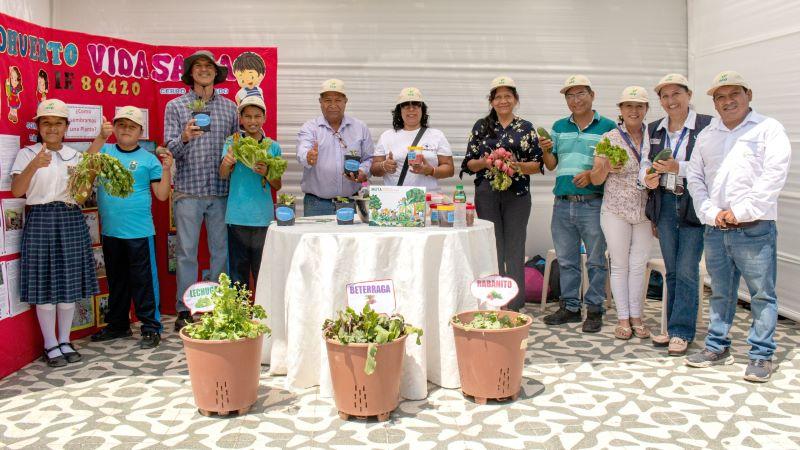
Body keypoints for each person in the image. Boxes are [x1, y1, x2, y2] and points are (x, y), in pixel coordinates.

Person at [685, 71, 791, 382]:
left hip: (754, 228)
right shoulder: (707, 135)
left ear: (749, 95)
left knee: (761, 294)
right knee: (720, 291)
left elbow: (774, 176)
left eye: (734, 94)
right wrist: (710, 211)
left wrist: (741, 211)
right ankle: (717, 346)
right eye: (720, 96)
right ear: (714, 103)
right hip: (716, 228)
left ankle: (760, 355)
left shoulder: (768, 129)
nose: (727, 101)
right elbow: (695, 177)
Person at [10, 99, 99, 367]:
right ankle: (50, 344)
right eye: (46, 123)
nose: (52, 128)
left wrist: (90, 172)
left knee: (69, 283)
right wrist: (34, 165)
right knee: (46, 283)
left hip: (70, 217)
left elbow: (82, 196)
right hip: (40, 218)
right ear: (38, 126)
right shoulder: (28, 154)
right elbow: (17, 191)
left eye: (58, 123)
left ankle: (65, 339)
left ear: (66, 126)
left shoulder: (77, 156)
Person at [86, 106, 173, 349]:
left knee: (144, 281)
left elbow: (163, 195)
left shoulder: (148, 160)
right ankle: (118, 325)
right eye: (121, 125)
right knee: (117, 280)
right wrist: (100, 137)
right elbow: (86, 167)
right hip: (111, 231)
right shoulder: (104, 151)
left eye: (131, 126)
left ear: (140, 131)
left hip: (140, 232)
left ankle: (150, 327)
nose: (126, 130)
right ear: (113, 127)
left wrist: (166, 169)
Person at [164, 50, 238, 331]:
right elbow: (169, 148)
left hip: (220, 190)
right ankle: (184, 309)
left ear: (216, 74)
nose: (204, 70)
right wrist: (183, 137)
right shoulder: (175, 106)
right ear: (190, 73)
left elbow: (234, 146)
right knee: (186, 252)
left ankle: (217, 306)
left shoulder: (230, 108)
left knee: (220, 251)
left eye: (209, 67)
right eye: (199, 67)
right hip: (188, 191)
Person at [641, 74, 713, 356]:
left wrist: (676, 168)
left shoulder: (707, 126)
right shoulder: (654, 129)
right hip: (665, 203)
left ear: (689, 95)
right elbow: (646, 162)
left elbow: (708, 165)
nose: (671, 101)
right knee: (672, 270)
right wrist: (645, 177)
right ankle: (673, 329)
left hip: (692, 205)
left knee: (686, 269)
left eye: (676, 94)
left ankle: (682, 331)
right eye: (665, 96)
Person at [540, 75, 617, 332]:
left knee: (595, 260)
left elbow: (614, 164)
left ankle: (594, 309)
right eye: (570, 96)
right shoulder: (559, 126)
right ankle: (570, 307)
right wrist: (544, 149)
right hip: (562, 202)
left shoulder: (607, 126)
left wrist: (593, 175)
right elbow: (551, 165)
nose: (576, 100)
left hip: (593, 203)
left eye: (580, 93)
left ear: (592, 95)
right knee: (566, 260)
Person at [461, 76, 543, 311]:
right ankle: (494, 301)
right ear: (492, 101)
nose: (503, 101)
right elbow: (468, 164)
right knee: (491, 245)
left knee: (515, 247)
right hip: (487, 193)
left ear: (515, 99)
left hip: (517, 194)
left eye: (508, 96)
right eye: (498, 96)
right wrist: (487, 162)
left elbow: (537, 164)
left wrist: (515, 166)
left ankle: (514, 304)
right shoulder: (482, 126)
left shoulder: (525, 128)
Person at [590, 86, 652, 340]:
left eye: (639, 106)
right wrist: (606, 167)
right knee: (620, 265)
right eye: (629, 106)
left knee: (639, 266)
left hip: (646, 211)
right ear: (621, 110)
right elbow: (595, 179)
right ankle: (623, 318)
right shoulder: (609, 138)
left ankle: (637, 316)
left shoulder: (656, 136)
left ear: (646, 109)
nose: (634, 111)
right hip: (616, 209)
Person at [219, 95, 282, 289]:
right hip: (237, 217)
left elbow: (277, 185)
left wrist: (268, 172)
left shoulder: (273, 146)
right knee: (238, 272)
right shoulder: (233, 142)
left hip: (263, 218)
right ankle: (240, 314)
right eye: (247, 116)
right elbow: (223, 175)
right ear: (241, 119)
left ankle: (264, 313)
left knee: (262, 269)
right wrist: (226, 162)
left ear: (264, 118)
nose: (252, 121)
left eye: (257, 116)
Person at [296, 79, 374, 216]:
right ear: (320, 102)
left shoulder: (360, 128)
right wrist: (308, 157)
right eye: (327, 100)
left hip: (352, 202)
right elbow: (302, 151)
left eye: (338, 100)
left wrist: (363, 171)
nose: (333, 105)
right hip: (317, 205)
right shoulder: (310, 127)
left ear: (345, 101)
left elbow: (369, 159)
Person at [371, 87, 454, 190]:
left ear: (422, 109)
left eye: (416, 104)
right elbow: (374, 170)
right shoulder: (386, 136)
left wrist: (431, 171)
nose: (411, 109)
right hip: (397, 201)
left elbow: (450, 169)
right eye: (405, 105)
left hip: (427, 199)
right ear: (399, 110)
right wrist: (384, 166)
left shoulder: (437, 135)